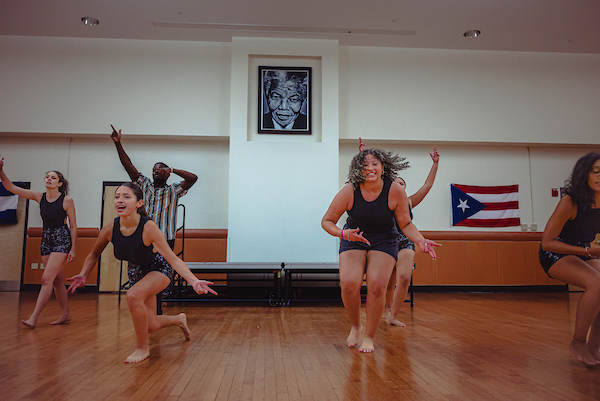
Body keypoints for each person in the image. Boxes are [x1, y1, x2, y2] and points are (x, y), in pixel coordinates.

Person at [67, 182, 217, 364]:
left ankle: (141, 348)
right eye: (117, 196)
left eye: (126, 197)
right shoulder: (110, 228)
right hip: (137, 272)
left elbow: (173, 259)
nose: (120, 200)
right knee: (151, 325)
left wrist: (193, 281)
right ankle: (179, 320)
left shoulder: (148, 227)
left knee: (133, 295)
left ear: (139, 203)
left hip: (158, 269)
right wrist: (84, 273)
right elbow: (94, 254)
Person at [321, 147, 439, 352]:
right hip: (354, 237)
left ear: (383, 167)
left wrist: (420, 240)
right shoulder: (351, 190)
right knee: (349, 284)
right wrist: (343, 233)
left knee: (376, 286)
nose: (370, 168)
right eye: (365, 165)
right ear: (359, 170)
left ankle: (369, 337)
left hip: (385, 239)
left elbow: (406, 223)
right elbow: (327, 221)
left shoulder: (395, 190)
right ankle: (356, 326)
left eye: (374, 164)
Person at [111, 125, 198, 313]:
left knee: (158, 277)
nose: (154, 171)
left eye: (159, 169)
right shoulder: (145, 186)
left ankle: (156, 312)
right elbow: (128, 165)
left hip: (165, 239)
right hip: (143, 239)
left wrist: (173, 169)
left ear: (166, 172)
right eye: (153, 169)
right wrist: (118, 144)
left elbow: (193, 178)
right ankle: (146, 311)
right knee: (142, 276)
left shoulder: (174, 190)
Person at [359, 140, 440, 327]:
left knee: (403, 278)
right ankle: (387, 310)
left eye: (402, 184)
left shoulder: (409, 201)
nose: (399, 186)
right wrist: (364, 157)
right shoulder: (383, 200)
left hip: (405, 242)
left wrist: (435, 164)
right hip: (386, 242)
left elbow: (427, 186)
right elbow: (369, 178)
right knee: (388, 282)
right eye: (396, 183)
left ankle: (394, 315)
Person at [0, 156, 77, 328]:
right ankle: (66, 314)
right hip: (46, 239)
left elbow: (73, 226)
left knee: (46, 279)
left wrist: (73, 248)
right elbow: (11, 187)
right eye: (47, 176)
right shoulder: (38, 196)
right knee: (56, 280)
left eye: (53, 177)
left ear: (59, 184)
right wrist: (0, 171)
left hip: (61, 239)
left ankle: (33, 318)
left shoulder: (66, 200)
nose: (49, 179)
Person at [539, 152, 600, 366]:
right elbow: (547, 242)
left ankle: (595, 344)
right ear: (585, 175)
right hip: (555, 253)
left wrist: (589, 251)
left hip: (582, 252)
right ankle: (578, 341)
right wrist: (586, 251)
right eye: (596, 171)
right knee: (596, 283)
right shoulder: (570, 202)